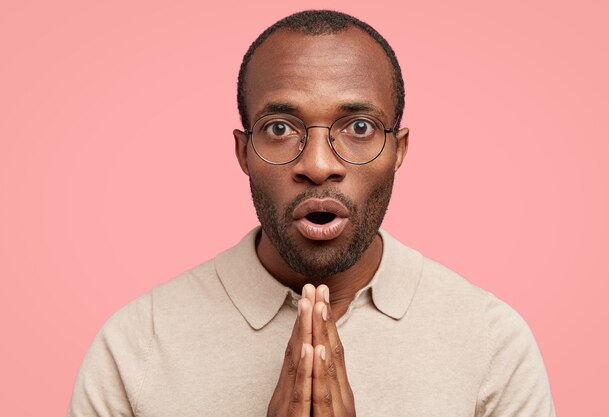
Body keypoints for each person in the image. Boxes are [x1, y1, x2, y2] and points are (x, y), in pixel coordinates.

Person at [68, 10, 555, 417]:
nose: (318, 166)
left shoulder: (491, 342)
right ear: (243, 153)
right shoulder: (134, 346)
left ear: (399, 149)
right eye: (279, 128)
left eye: (359, 126)